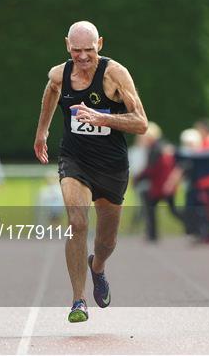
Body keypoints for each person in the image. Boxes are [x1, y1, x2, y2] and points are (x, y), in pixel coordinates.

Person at [33, 21, 147, 322]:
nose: (82, 57)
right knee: (77, 221)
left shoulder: (114, 74)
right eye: (75, 50)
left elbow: (141, 122)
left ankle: (97, 266)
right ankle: (78, 300)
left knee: (106, 241)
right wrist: (42, 132)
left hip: (111, 165)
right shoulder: (59, 74)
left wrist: (103, 118)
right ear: (67, 45)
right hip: (75, 160)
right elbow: (51, 92)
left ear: (100, 44)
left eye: (88, 50)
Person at [135, 122, 184, 242]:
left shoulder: (155, 149)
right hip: (163, 184)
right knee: (170, 209)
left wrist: (138, 178)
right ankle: (152, 233)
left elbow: (151, 169)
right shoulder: (162, 145)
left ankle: (152, 234)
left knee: (153, 208)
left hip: (161, 185)